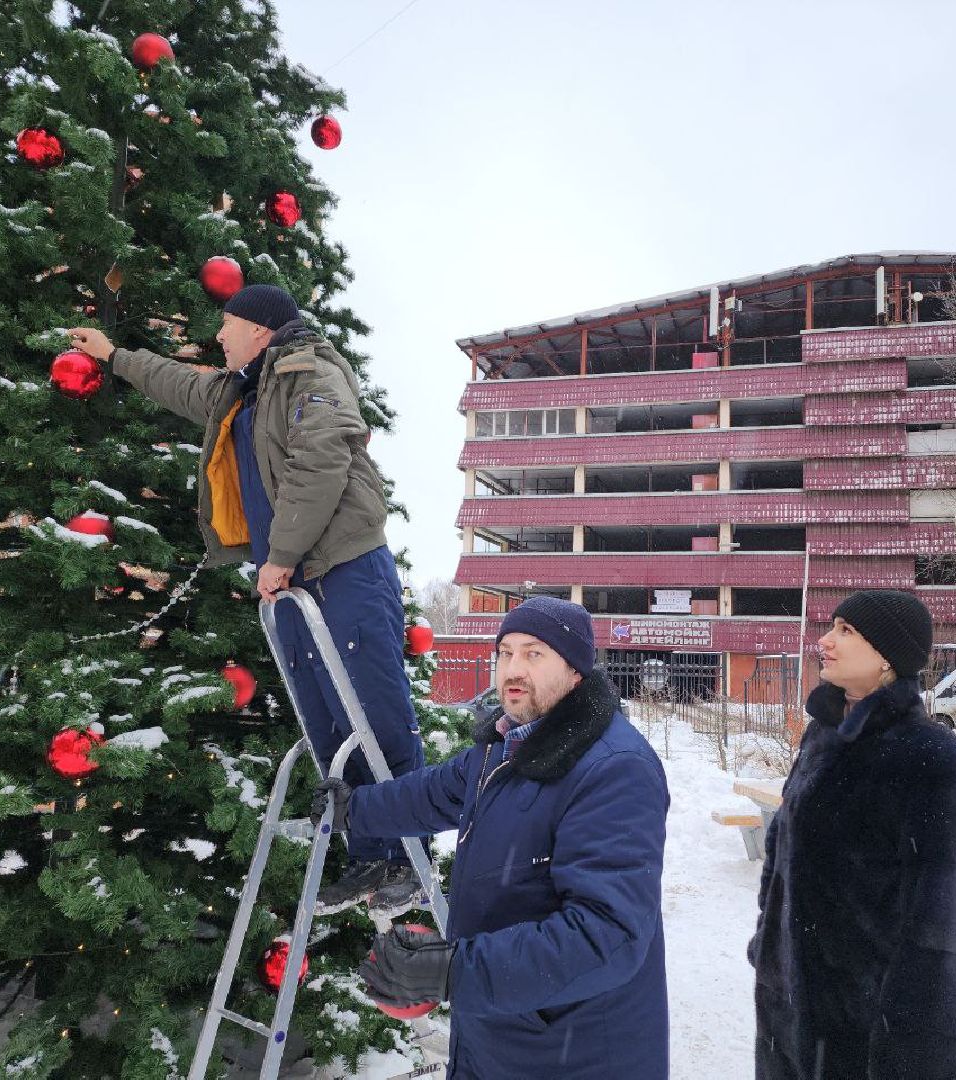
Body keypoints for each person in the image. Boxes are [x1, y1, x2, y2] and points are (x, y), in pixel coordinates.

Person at [66, 285, 426, 915]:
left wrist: (280, 556)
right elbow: (178, 383)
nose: (220, 336)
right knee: (329, 724)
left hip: (341, 571)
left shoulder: (309, 374)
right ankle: (369, 856)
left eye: (228, 325)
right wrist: (114, 354)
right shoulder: (244, 389)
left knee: (374, 714)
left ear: (260, 329)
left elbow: (321, 461)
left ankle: (409, 863)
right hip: (292, 587)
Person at [314, 596, 670, 1079]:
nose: (513, 670)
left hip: (573, 1051)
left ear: (576, 672)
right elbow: (433, 793)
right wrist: (354, 811)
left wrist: (455, 971)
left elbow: (605, 936)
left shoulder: (613, 769)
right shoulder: (507, 746)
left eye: (534, 653)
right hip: (500, 1033)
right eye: (505, 653)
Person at [749, 589, 956, 1080]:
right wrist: (769, 946)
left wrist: (920, 1045)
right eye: (832, 627)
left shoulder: (931, 757)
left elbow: (945, 926)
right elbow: (782, 855)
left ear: (887, 658)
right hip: (790, 1016)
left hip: (873, 1030)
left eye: (846, 631)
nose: (825, 641)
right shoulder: (822, 737)